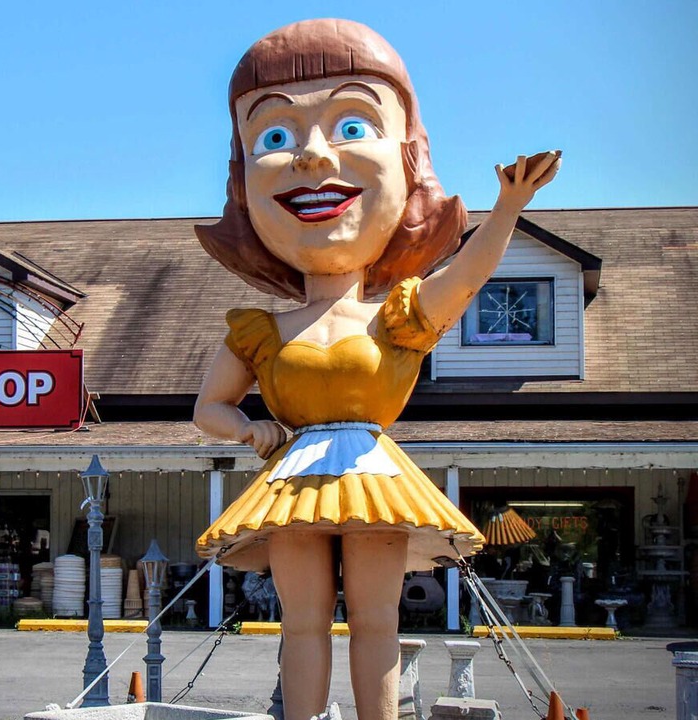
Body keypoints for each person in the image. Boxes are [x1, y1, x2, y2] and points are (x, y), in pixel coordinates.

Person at [191, 19, 559, 720]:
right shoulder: (259, 331)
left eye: (353, 126)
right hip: (294, 481)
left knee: (376, 619)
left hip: (375, 477)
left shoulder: (399, 315)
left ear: (410, 160)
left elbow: (469, 276)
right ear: (241, 180)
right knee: (300, 623)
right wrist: (248, 429)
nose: (309, 158)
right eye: (273, 137)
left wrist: (509, 207)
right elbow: (207, 408)